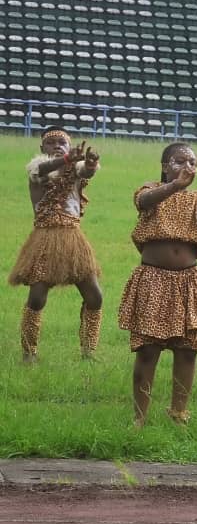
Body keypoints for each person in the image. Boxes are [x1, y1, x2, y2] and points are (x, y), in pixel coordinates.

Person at [117, 143, 197, 427]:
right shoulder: (150, 190)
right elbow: (144, 202)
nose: (186, 166)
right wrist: (175, 186)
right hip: (153, 279)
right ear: (165, 165)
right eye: (179, 161)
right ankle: (139, 417)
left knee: (187, 350)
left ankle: (179, 413)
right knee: (148, 350)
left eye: (191, 162)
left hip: (188, 281)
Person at [9, 126, 103, 363]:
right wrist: (66, 158)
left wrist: (90, 165)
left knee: (94, 296)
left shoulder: (75, 170)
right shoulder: (37, 169)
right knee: (38, 296)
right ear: (42, 148)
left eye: (62, 142)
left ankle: (88, 351)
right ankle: (29, 353)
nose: (58, 145)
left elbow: (87, 174)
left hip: (74, 239)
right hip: (45, 239)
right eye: (52, 143)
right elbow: (42, 169)